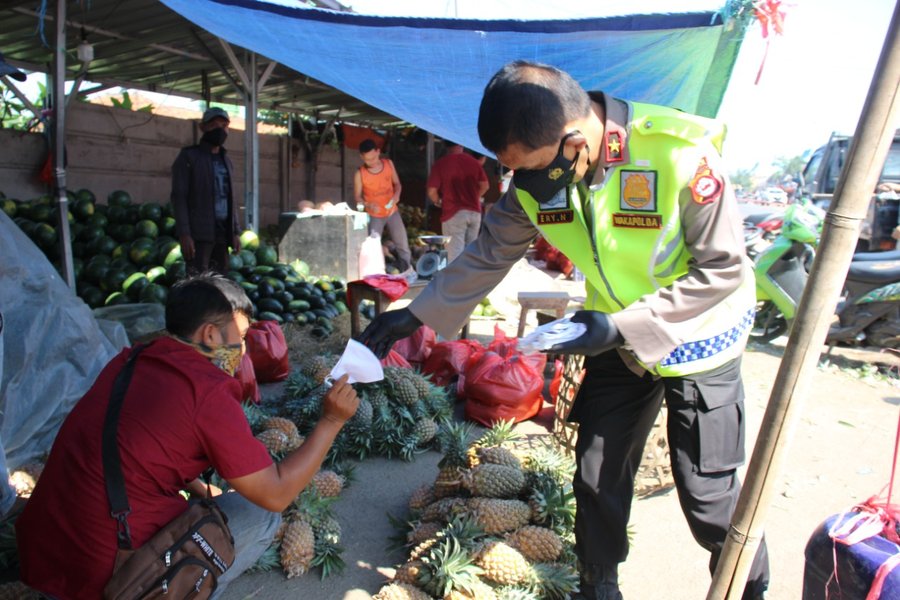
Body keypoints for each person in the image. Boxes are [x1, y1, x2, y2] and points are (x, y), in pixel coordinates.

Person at [361, 60, 769, 600]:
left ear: (576, 142)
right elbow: (488, 252)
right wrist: (414, 314)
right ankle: (598, 587)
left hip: (698, 335)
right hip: (616, 340)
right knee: (597, 471)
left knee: (708, 494)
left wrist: (621, 326)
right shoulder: (538, 178)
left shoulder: (677, 154)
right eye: (512, 172)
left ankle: (753, 586)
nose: (522, 187)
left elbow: (723, 271)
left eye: (530, 171)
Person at [16, 274, 359, 599]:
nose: (242, 350)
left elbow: (141, 444)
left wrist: (199, 488)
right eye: (239, 338)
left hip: (45, 554)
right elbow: (276, 494)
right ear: (210, 335)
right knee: (259, 514)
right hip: (111, 577)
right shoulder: (205, 391)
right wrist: (331, 420)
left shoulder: (130, 358)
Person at [171, 107, 241, 274]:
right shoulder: (189, 157)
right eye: (214, 125)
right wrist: (185, 234)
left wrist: (236, 231)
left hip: (223, 233)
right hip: (199, 234)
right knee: (198, 283)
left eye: (224, 125)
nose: (220, 129)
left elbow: (230, 197)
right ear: (202, 128)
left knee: (220, 282)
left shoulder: (227, 160)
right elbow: (179, 197)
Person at [353, 138, 414, 277]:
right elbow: (357, 197)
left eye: (374, 157)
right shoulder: (360, 173)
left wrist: (397, 196)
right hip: (374, 215)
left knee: (403, 244)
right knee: (372, 246)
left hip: (392, 212)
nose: (372, 162)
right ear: (361, 157)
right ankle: (374, 275)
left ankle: (408, 272)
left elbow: (397, 184)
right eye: (368, 160)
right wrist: (367, 204)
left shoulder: (388, 164)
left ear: (378, 152)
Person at [426, 141, 490, 262]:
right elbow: (485, 186)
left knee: (455, 254)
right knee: (472, 252)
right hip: (474, 213)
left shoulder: (441, 164)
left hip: (454, 214)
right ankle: (472, 279)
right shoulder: (473, 162)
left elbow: (431, 191)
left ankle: (457, 280)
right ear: (461, 144)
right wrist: (474, 197)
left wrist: (439, 201)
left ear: (446, 146)